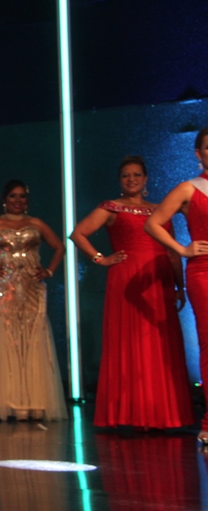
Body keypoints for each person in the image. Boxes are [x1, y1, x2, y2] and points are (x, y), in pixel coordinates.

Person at [70, 156, 192, 429]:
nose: (131, 179)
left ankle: (162, 415)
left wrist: (179, 286)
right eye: (126, 175)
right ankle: (130, 414)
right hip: (127, 281)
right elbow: (78, 234)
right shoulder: (111, 207)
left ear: (146, 179)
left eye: (137, 174)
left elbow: (172, 251)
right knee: (131, 343)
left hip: (158, 280)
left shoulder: (160, 209)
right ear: (120, 180)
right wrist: (101, 258)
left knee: (160, 345)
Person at [0, 180, 68, 421]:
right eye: (13, 196)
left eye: (22, 196)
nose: (18, 200)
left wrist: (49, 271)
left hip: (32, 287)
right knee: (8, 337)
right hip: (4, 288)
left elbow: (59, 247)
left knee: (33, 337)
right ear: (4, 200)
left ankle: (36, 401)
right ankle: (9, 402)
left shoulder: (36, 223)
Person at [146, 127, 208, 444]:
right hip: (204, 271)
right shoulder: (189, 188)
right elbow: (153, 223)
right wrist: (183, 249)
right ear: (199, 153)